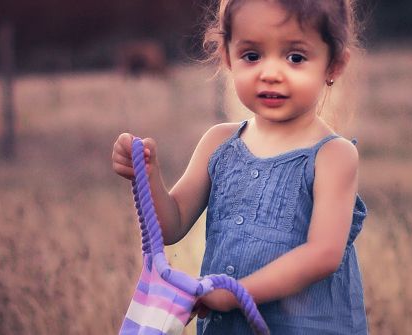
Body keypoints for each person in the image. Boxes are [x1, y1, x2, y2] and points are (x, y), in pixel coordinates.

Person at [112, 0, 367, 333]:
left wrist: (236, 294)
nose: (270, 73)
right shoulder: (218, 143)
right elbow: (170, 226)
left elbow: (323, 254)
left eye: (295, 57)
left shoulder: (333, 156)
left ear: (333, 65)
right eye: (252, 56)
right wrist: (146, 176)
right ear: (228, 57)